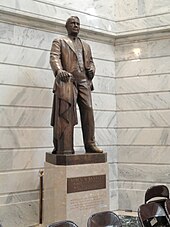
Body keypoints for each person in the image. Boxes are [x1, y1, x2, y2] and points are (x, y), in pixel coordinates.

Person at [50, 16, 103, 154]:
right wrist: (59, 70)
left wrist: (92, 69)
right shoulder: (60, 41)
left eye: (78, 24)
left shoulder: (86, 45)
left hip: (84, 82)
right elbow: (54, 57)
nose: (76, 25)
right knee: (66, 113)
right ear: (67, 26)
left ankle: (90, 143)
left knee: (88, 110)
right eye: (72, 23)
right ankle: (66, 146)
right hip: (68, 81)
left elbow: (91, 62)